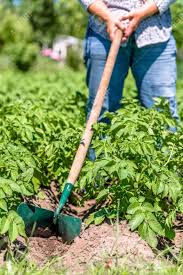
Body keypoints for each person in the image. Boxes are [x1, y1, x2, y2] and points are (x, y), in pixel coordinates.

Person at [78, 0, 178, 160]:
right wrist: (108, 16)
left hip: (156, 34)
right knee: (101, 109)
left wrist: (146, 10)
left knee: (163, 111)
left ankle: (167, 177)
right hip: (103, 32)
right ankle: (97, 179)